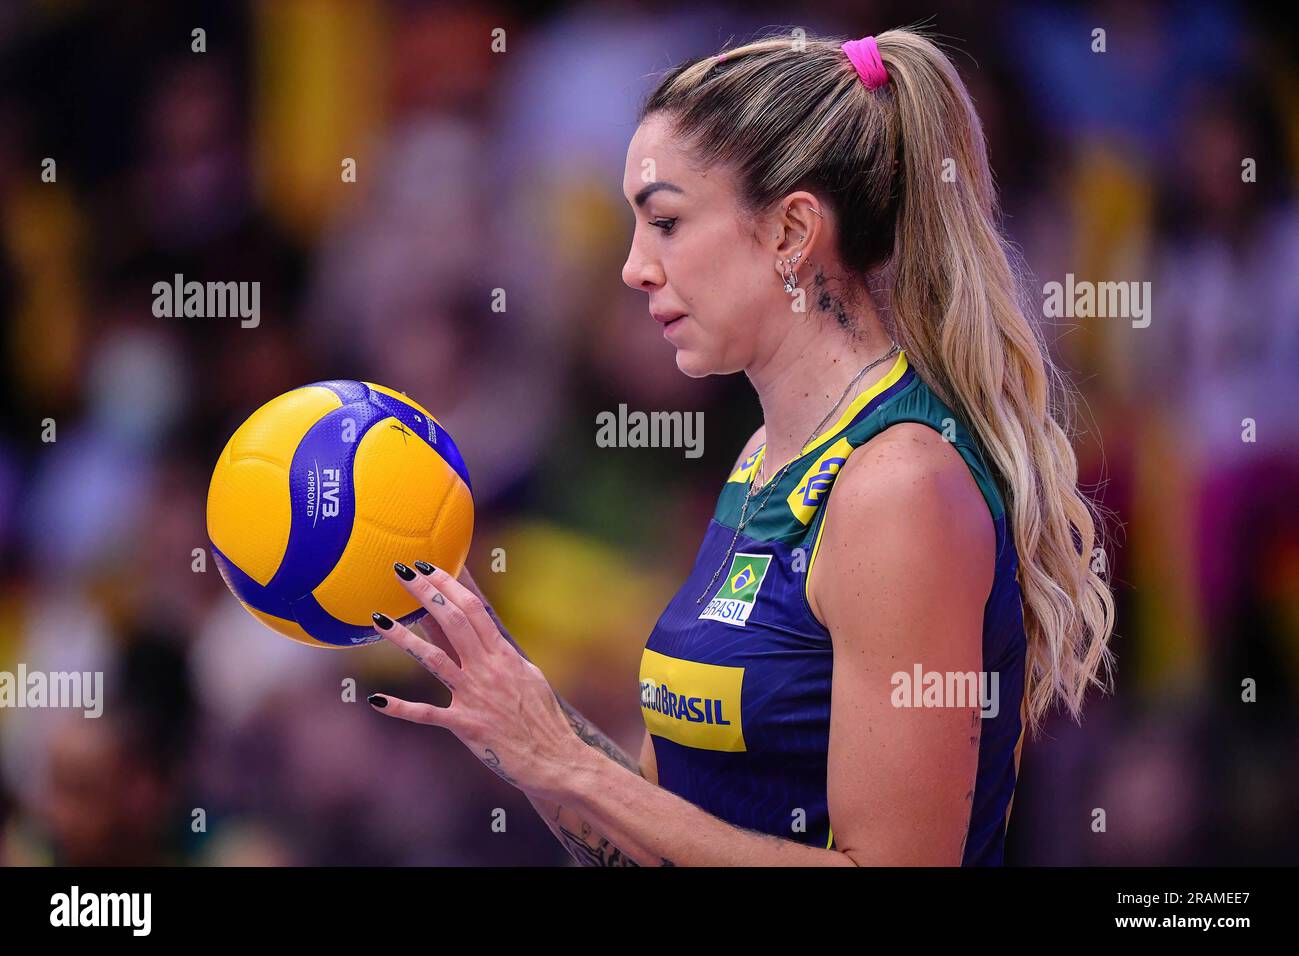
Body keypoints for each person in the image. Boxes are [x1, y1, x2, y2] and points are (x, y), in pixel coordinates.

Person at [365, 28, 1116, 866]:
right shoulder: (765, 455)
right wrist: (519, 720)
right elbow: (661, 842)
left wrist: (570, 762)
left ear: (793, 229)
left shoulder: (899, 484)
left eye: (667, 222)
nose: (634, 269)